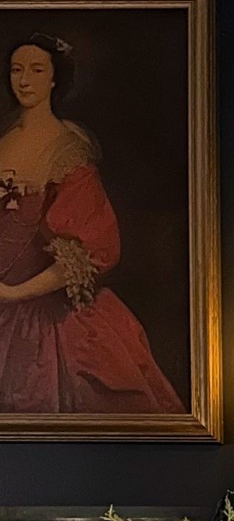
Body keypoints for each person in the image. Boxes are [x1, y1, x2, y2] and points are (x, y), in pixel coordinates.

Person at [0, 32, 182, 414]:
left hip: (50, 320)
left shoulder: (67, 148)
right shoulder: (4, 141)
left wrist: (14, 293)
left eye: (36, 70)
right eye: (17, 70)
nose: (24, 80)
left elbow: (89, 249)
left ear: (54, 78)